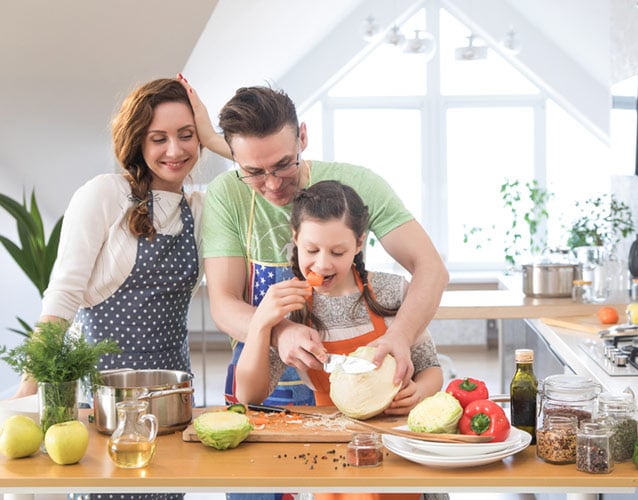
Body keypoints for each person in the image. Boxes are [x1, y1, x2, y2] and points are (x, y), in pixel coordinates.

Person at [177, 75, 449, 408]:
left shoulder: (359, 185)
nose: (273, 184)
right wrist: (277, 332)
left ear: (302, 137)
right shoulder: (227, 193)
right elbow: (223, 303)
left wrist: (399, 336)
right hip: (263, 373)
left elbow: (431, 268)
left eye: (283, 165)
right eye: (254, 172)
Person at [11, 77, 203, 500]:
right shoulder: (104, 195)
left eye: (187, 135)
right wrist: (26, 393)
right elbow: (62, 298)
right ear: (138, 141)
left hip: (172, 407)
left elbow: (260, 180)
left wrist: (212, 133)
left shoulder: (201, 207)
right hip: (106, 408)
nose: (175, 150)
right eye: (159, 138)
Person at [235, 180, 443, 413]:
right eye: (312, 250)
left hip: (393, 430)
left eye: (337, 252)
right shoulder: (290, 305)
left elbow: (431, 368)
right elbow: (248, 394)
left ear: (358, 244)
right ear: (295, 238)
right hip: (328, 429)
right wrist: (260, 324)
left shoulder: (391, 291)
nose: (323, 265)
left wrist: (419, 392)